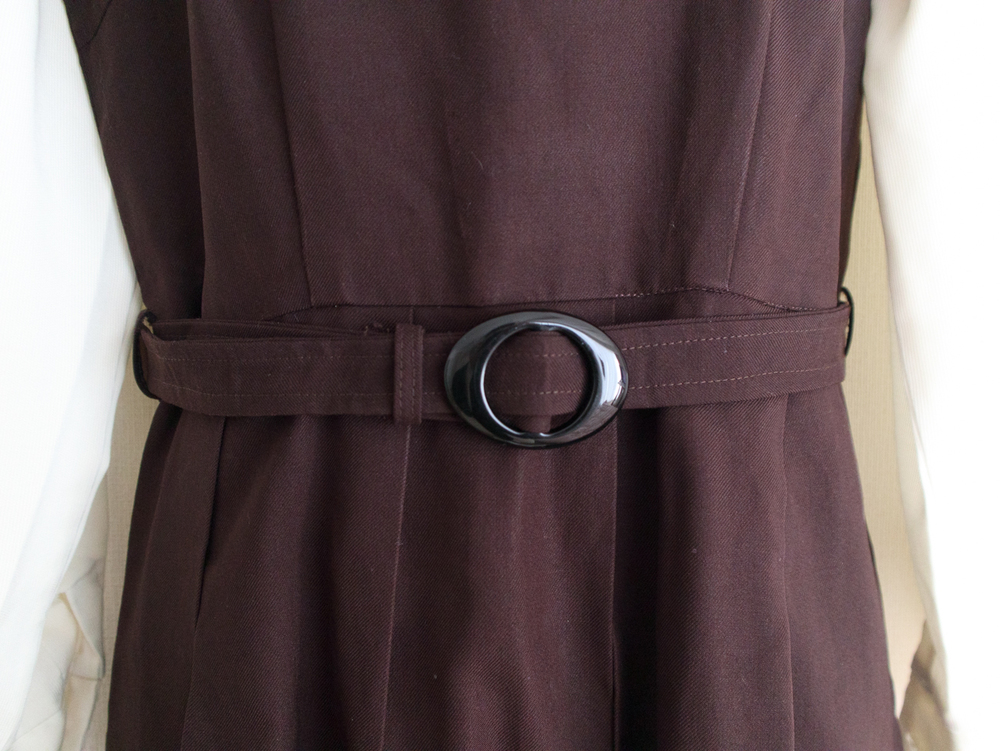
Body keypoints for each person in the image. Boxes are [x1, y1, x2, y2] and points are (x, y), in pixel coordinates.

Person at [0, 0, 997, 748]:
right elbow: (966, 291)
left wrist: (39, 693)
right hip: (737, 572)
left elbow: (31, 309)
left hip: (276, 588)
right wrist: (966, 702)